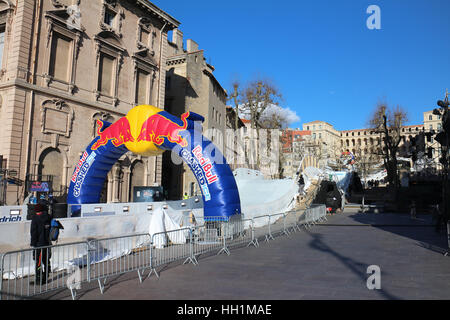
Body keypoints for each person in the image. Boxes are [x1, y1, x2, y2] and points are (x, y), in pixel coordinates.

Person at [30, 203, 52, 284]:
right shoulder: (49, 217)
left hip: (39, 244)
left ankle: (39, 280)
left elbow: (33, 233)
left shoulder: (35, 219)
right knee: (46, 260)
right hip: (47, 243)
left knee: (38, 262)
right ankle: (45, 277)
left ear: (36, 210)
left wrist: (33, 244)